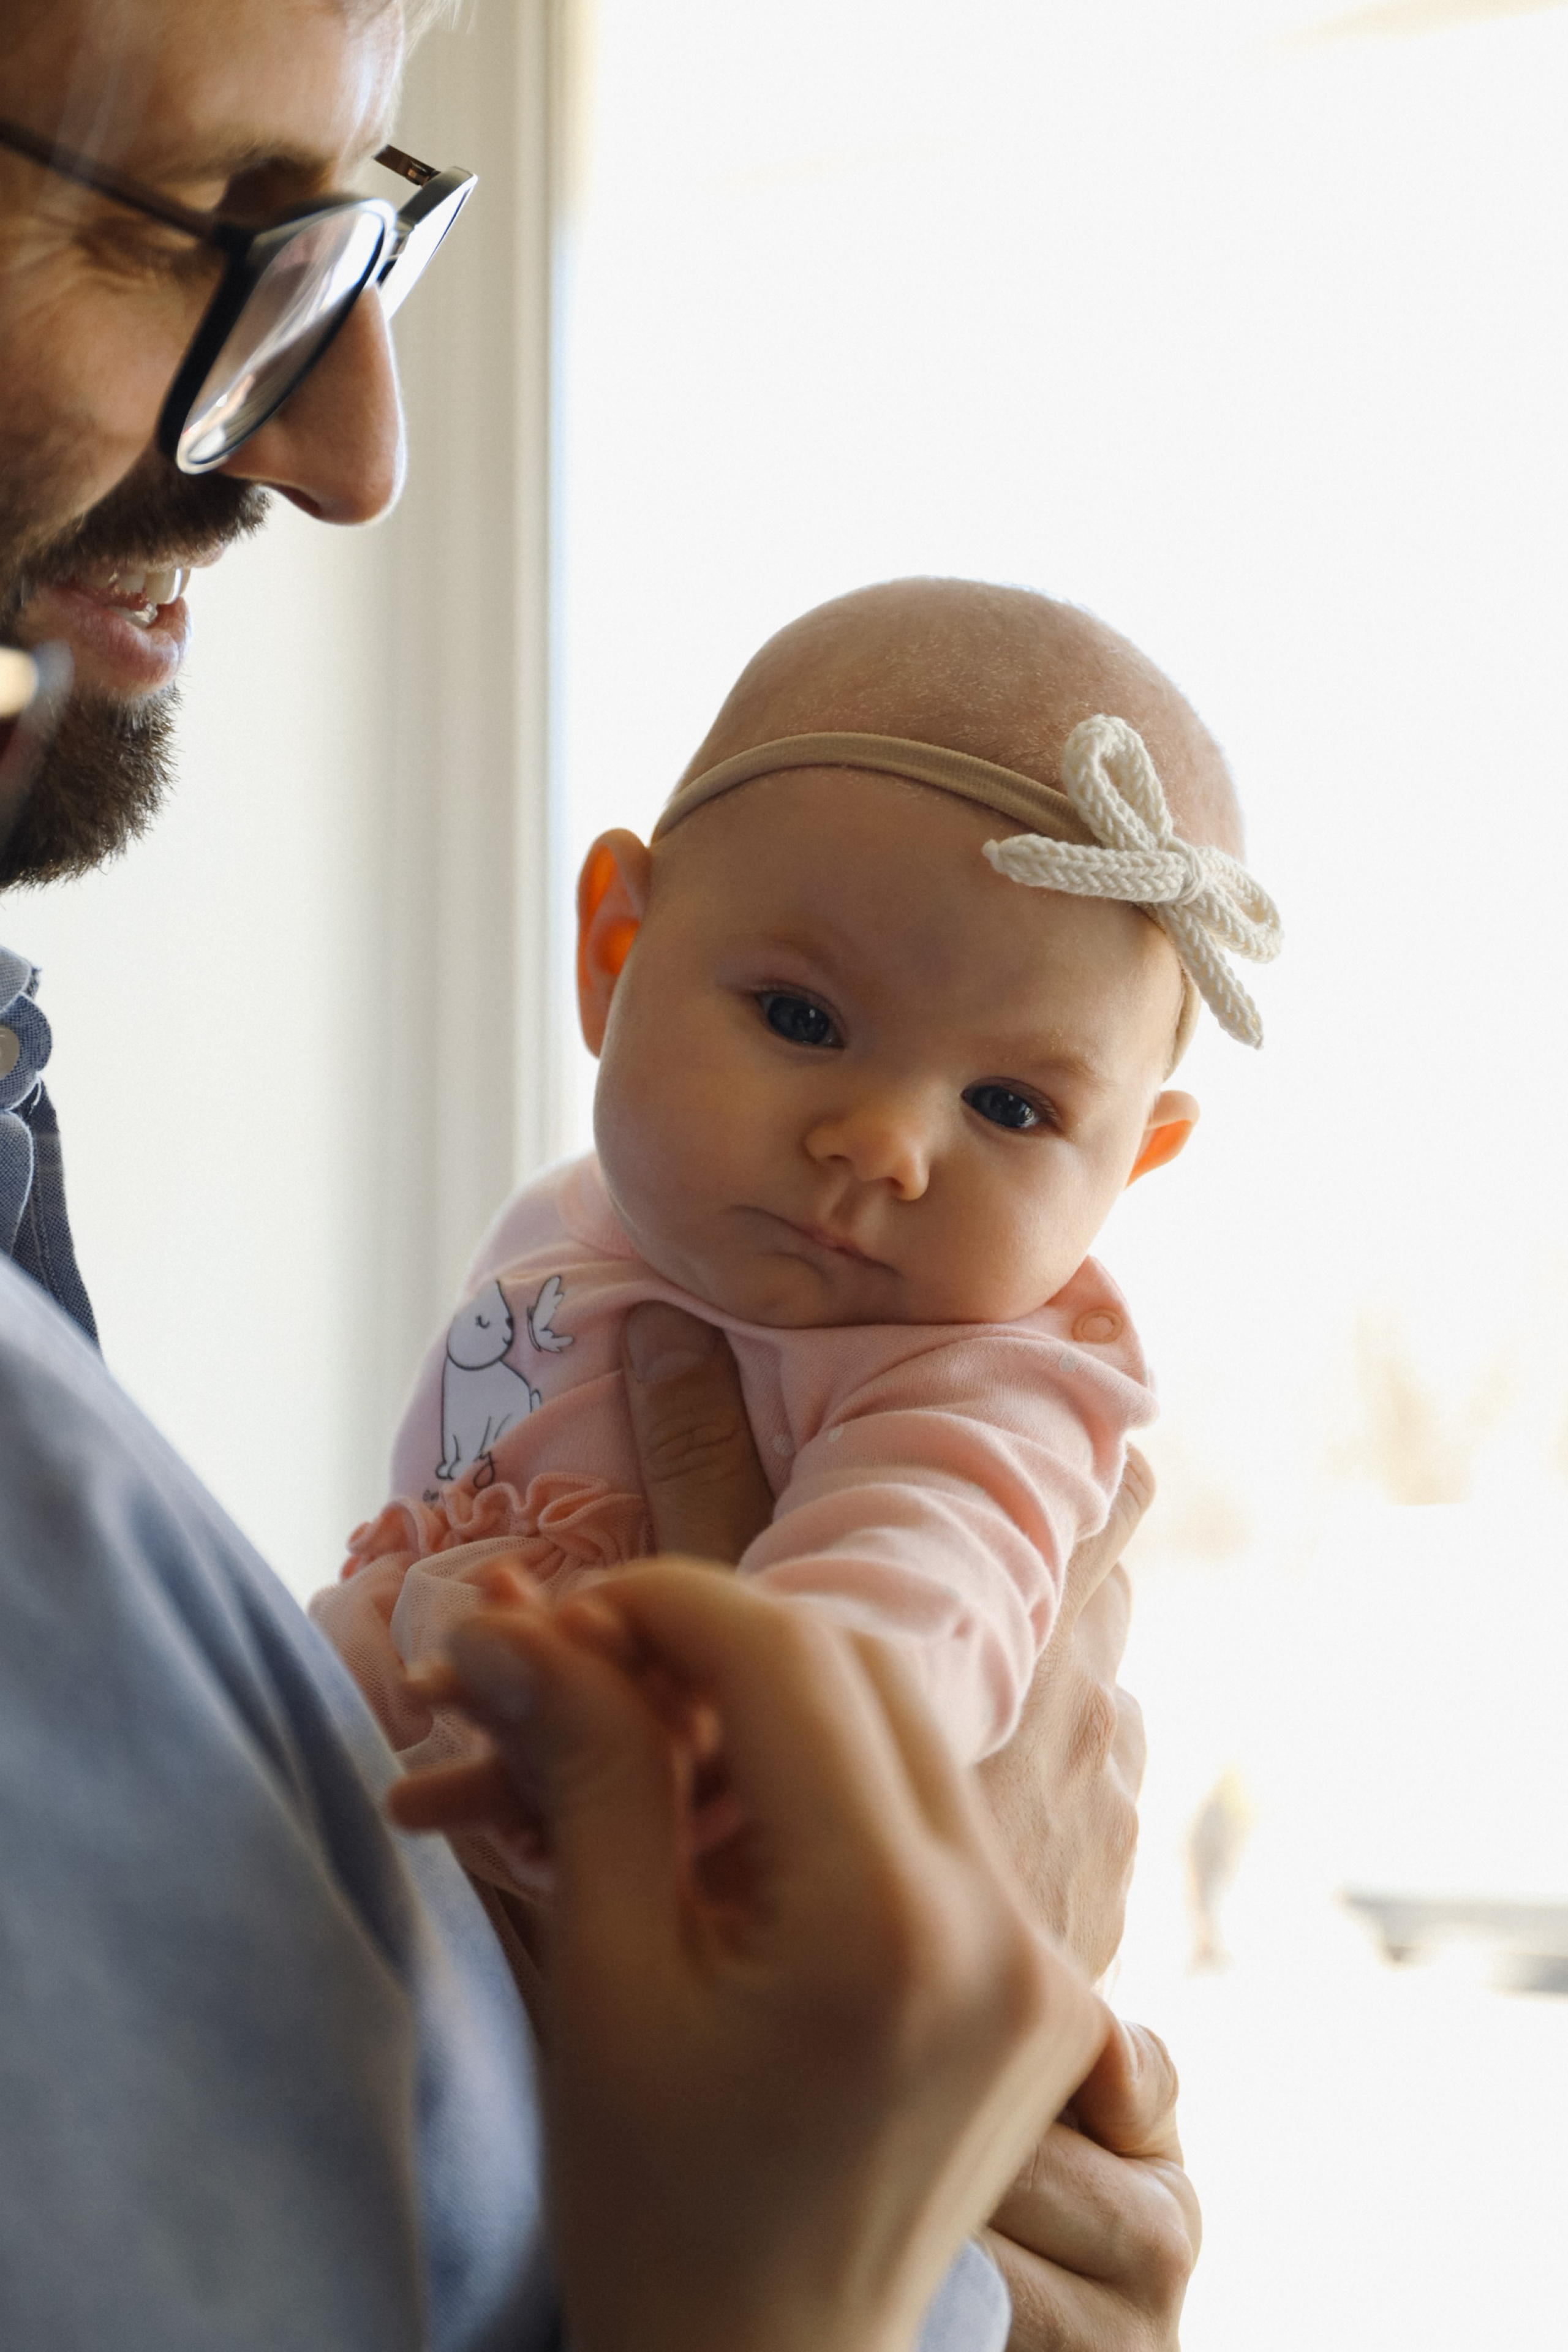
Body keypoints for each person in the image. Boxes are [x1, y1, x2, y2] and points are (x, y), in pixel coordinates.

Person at [0, 0, 1200, 2343]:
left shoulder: (1003, 1382)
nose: (357, 449)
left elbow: (903, 1629)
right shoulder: (587, 1230)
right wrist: (844, 2285)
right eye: (220, 238)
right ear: (615, 948)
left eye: (361, 244)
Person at [314, 579, 1279, 1856]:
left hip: (632, 1935)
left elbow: (920, 1590)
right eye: (801, 1018)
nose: (883, 1145)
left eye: (1006, 1104)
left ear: (1125, 1171)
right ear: (616, 951)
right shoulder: (573, 1220)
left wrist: (744, 1731)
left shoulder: (973, 1384)